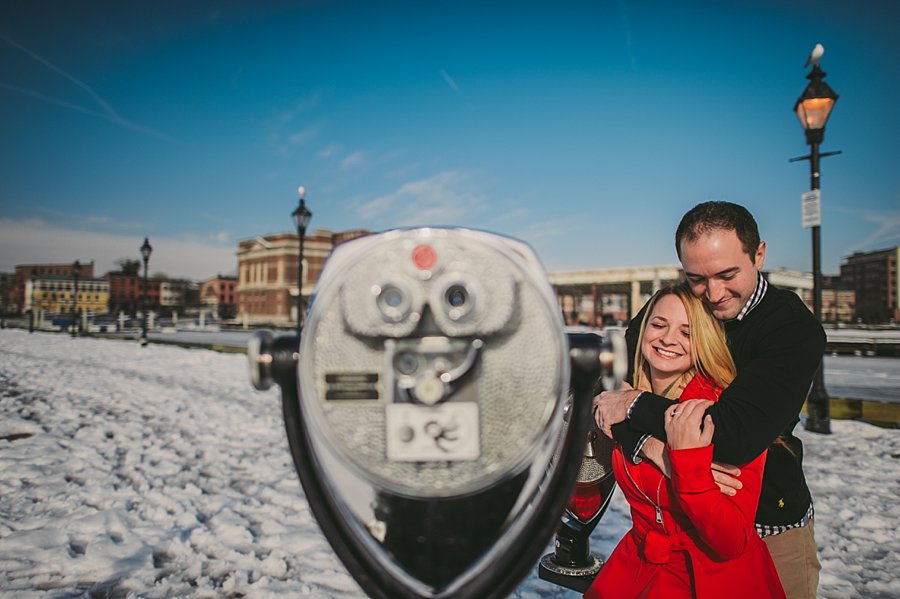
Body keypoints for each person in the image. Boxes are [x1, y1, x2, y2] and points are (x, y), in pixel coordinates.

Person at [594, 201, 825, 599]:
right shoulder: (678, 306)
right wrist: (650, 448)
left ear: (759, 255)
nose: (713, 294)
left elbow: (734, 435)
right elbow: (607, 396)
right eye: (696, 277)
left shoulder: (791, 329)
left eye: (727, 274)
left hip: (768, 523)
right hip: (677, 536)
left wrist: (634, 409)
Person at [584, 284, 784, 598]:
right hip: (640, 566)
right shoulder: (624, 400)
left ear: (704, 340)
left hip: (710, 580)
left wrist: (689, 471)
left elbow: (731, 541)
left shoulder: (723, 415)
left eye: (687, 333)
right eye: (659, 325)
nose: (667, 339)